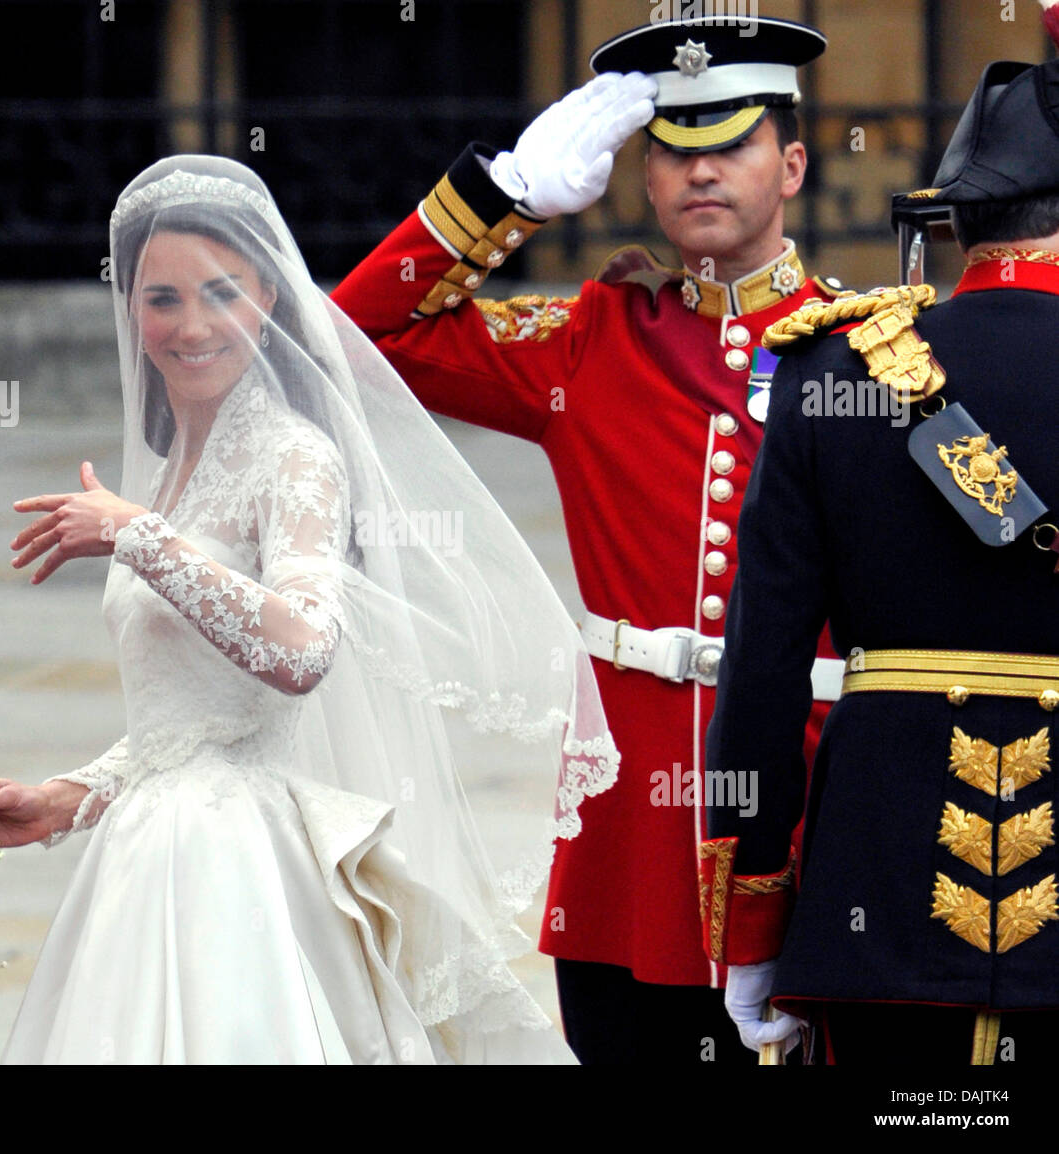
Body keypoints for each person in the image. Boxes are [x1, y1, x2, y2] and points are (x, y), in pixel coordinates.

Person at [0, 155, 620, 1064]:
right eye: (161, 299)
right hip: (147, 853)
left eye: (221, 293)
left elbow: (305, 649)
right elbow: (188, 724)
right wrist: (65, 799)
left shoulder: (293, 456)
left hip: (242, 867)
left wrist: (139, 538)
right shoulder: (171, 469)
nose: (190, 325)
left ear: (268, 298)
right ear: (130, 313)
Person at [331, 15, 845, 1064]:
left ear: (791, 163)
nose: (700, 171)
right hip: (629, 839)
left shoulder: (868, 349)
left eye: (731, 143)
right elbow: (359, 335)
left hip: (807, 808)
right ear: (643, 180)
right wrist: (501, 197)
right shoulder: (594, 337)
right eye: (673, 149)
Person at [701, 39, 1059, 1064]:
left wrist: (755, 932)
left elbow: (761, 678)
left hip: (878, 899)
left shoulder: (827, 371)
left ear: (959, 223)